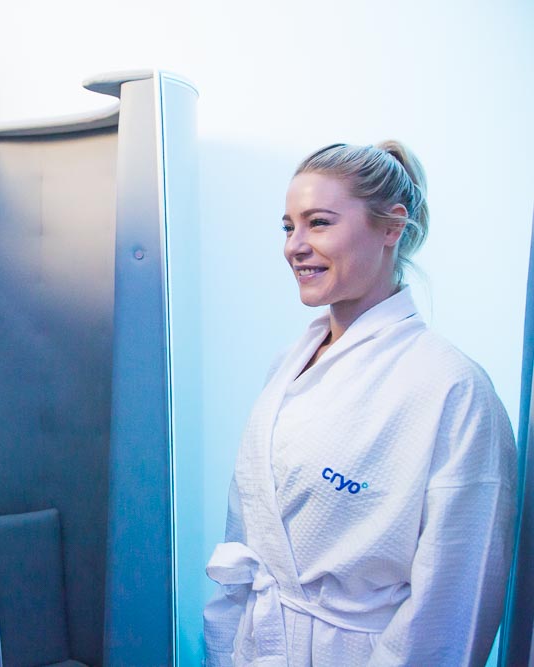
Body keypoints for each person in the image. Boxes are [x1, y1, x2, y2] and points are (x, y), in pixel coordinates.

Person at [203, 141, 517, 665]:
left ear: (393, 227)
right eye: (288, 227)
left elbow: (453, 602)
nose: (294, 246)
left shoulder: (452, 390)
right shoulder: (286, 366)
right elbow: (246, 537)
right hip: (258, 646)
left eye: (318, 223)